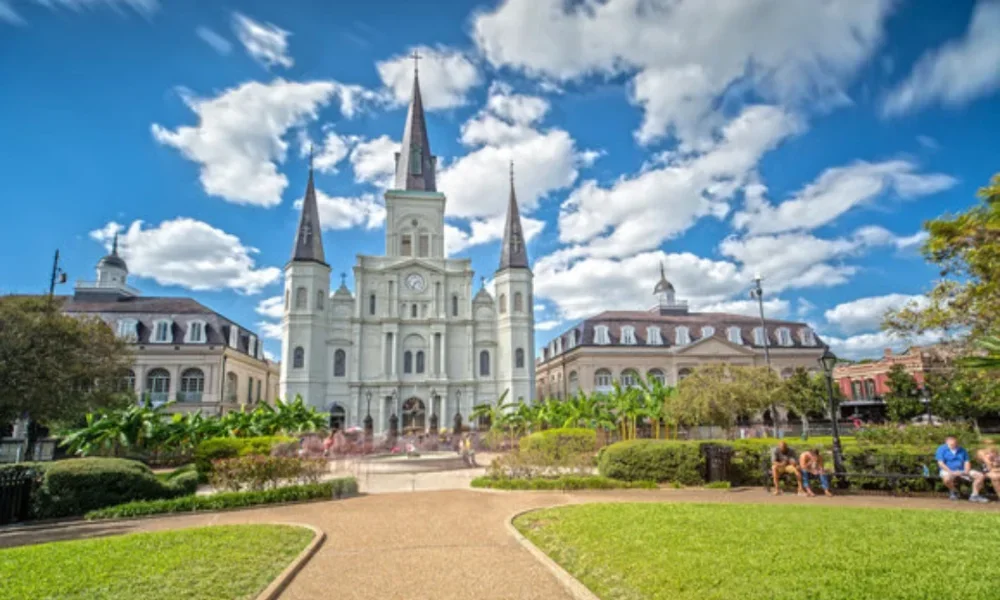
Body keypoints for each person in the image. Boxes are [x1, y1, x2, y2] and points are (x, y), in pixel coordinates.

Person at [935, 435, 987, 502]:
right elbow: (941, 463)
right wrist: (951, 472)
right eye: (951, 441)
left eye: (955, 441)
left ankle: (974, 495)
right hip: (947, 470)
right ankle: (954, 491)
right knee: (947, 479)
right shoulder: (941, 449)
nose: (954, 443)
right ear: (946, 442)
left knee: (980, 476)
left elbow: (967, 462)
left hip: (962, 470)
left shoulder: (962, 450)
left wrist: (966, 471)